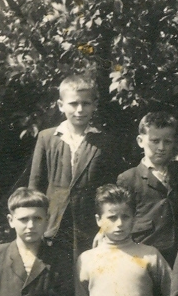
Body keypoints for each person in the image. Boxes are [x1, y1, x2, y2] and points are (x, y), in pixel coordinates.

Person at [28, 74, 123, 257]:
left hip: (89, 227)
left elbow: (111, 191)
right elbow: (35, 186)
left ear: (94, 105)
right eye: (73, 104)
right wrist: (35, 224)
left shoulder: (105, 141)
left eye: (85, 104)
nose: (80, 110)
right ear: (61, 105)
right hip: (52, 226)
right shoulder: (46, 138)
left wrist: (104, 228)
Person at [117, 111, 178, 266]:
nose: (161, 147)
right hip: (145, 255)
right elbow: (122, 219)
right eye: (155, 141)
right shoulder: (128, 179)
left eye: (167, 142)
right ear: (140, 141)